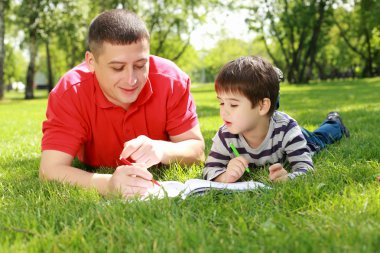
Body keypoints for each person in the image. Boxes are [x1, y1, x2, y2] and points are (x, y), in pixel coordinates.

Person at [40, 9, 205, 198]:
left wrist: (163, 149)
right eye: (118, 68)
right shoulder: (70, 92)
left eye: (140, 65)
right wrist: (108, 184)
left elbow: (197, 151)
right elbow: (50, 170)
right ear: (91, 61)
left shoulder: (172, 81)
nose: (131, 79)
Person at [203, 56, 350, 183]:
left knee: (320, 139)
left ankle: (334, 122)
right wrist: (225, 176)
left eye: (233, 104)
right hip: (268, 121)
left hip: (299, 138)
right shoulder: (225, 134)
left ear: (262, 106)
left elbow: (305, 169)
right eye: (221, 102)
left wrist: (288, 178)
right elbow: (210, 169)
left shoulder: (287, 130)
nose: (224, 111)